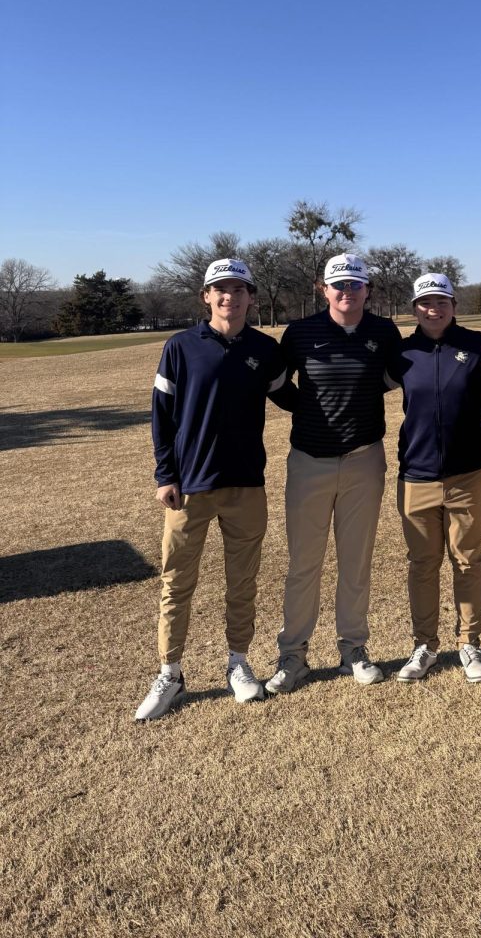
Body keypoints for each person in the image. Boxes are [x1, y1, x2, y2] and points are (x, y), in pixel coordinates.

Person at [135, 257, 291, 722]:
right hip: (191, 488)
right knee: (176, 584)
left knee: (241, 583)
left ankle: (238, 664)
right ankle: (171, 672)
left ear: (251, 298)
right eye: (221, 290)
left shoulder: (264, 350)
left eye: (239, 290)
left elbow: (292, 398)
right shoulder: (181, 347)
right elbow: (161, 415)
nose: (230, 297)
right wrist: (166, 475)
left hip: (246, 486)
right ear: (206, 297)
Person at [266, 253, 402, 692]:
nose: (347, 293)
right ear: (323, 290)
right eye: (338, 286)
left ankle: (353, 649)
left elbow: (390, 377)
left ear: (368, 291)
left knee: (355, 561)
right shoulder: (301, 332)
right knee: (304, 563)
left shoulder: (383, 332)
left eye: (355, 286)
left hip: (364, 459)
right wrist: (307, 408)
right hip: (309, 460)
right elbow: (277, 383)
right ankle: (293, 654)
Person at [392, 273, 481, 684]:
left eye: (442, 302)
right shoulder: (402, 352)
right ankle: (425, 645)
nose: (434, 309)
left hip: (468, 473)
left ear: (454, 304)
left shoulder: (477, 345)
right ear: (414, 307)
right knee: (423, 563)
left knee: (467, 559)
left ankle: (469, 642)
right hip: (416, 474)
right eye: (425, 303)